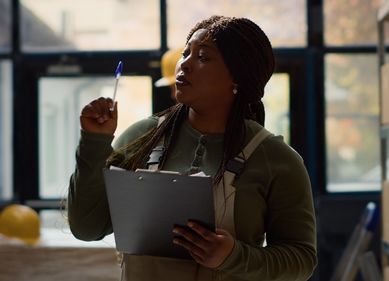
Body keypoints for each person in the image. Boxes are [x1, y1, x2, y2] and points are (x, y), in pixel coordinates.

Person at [67, 15, 317, 281]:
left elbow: (301, 260)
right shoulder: (142, 137)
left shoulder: (277, 159)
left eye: (203, 57)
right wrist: (94, 142)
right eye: (186, 53)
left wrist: (233, 256)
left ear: (238, 76)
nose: (184, 63)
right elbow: (87, 228)